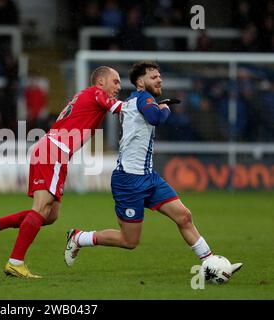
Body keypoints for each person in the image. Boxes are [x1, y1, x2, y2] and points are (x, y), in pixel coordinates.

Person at [63, 61, 243, 276]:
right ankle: (79, 237)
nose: (159, 80)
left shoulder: (138, 100)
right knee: (129, 241)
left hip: (149, 177)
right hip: (129, 181)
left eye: (160, 76)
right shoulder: (142, 97)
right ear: (141, 81)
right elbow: (156, 118)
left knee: (184, 216)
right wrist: (164, 108)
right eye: (154, 77)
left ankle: (210, 262)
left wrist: (159, 106)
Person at [0, 66, 124, 278]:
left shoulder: (87, 96)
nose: (119, 86)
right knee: (41, 207)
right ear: (101, 81)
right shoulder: (96, 93)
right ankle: (15, 262)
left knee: (50, 215)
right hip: (54, 151)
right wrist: (146, 105)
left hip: (52, 150)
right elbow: (118, 108)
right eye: (115, 81)